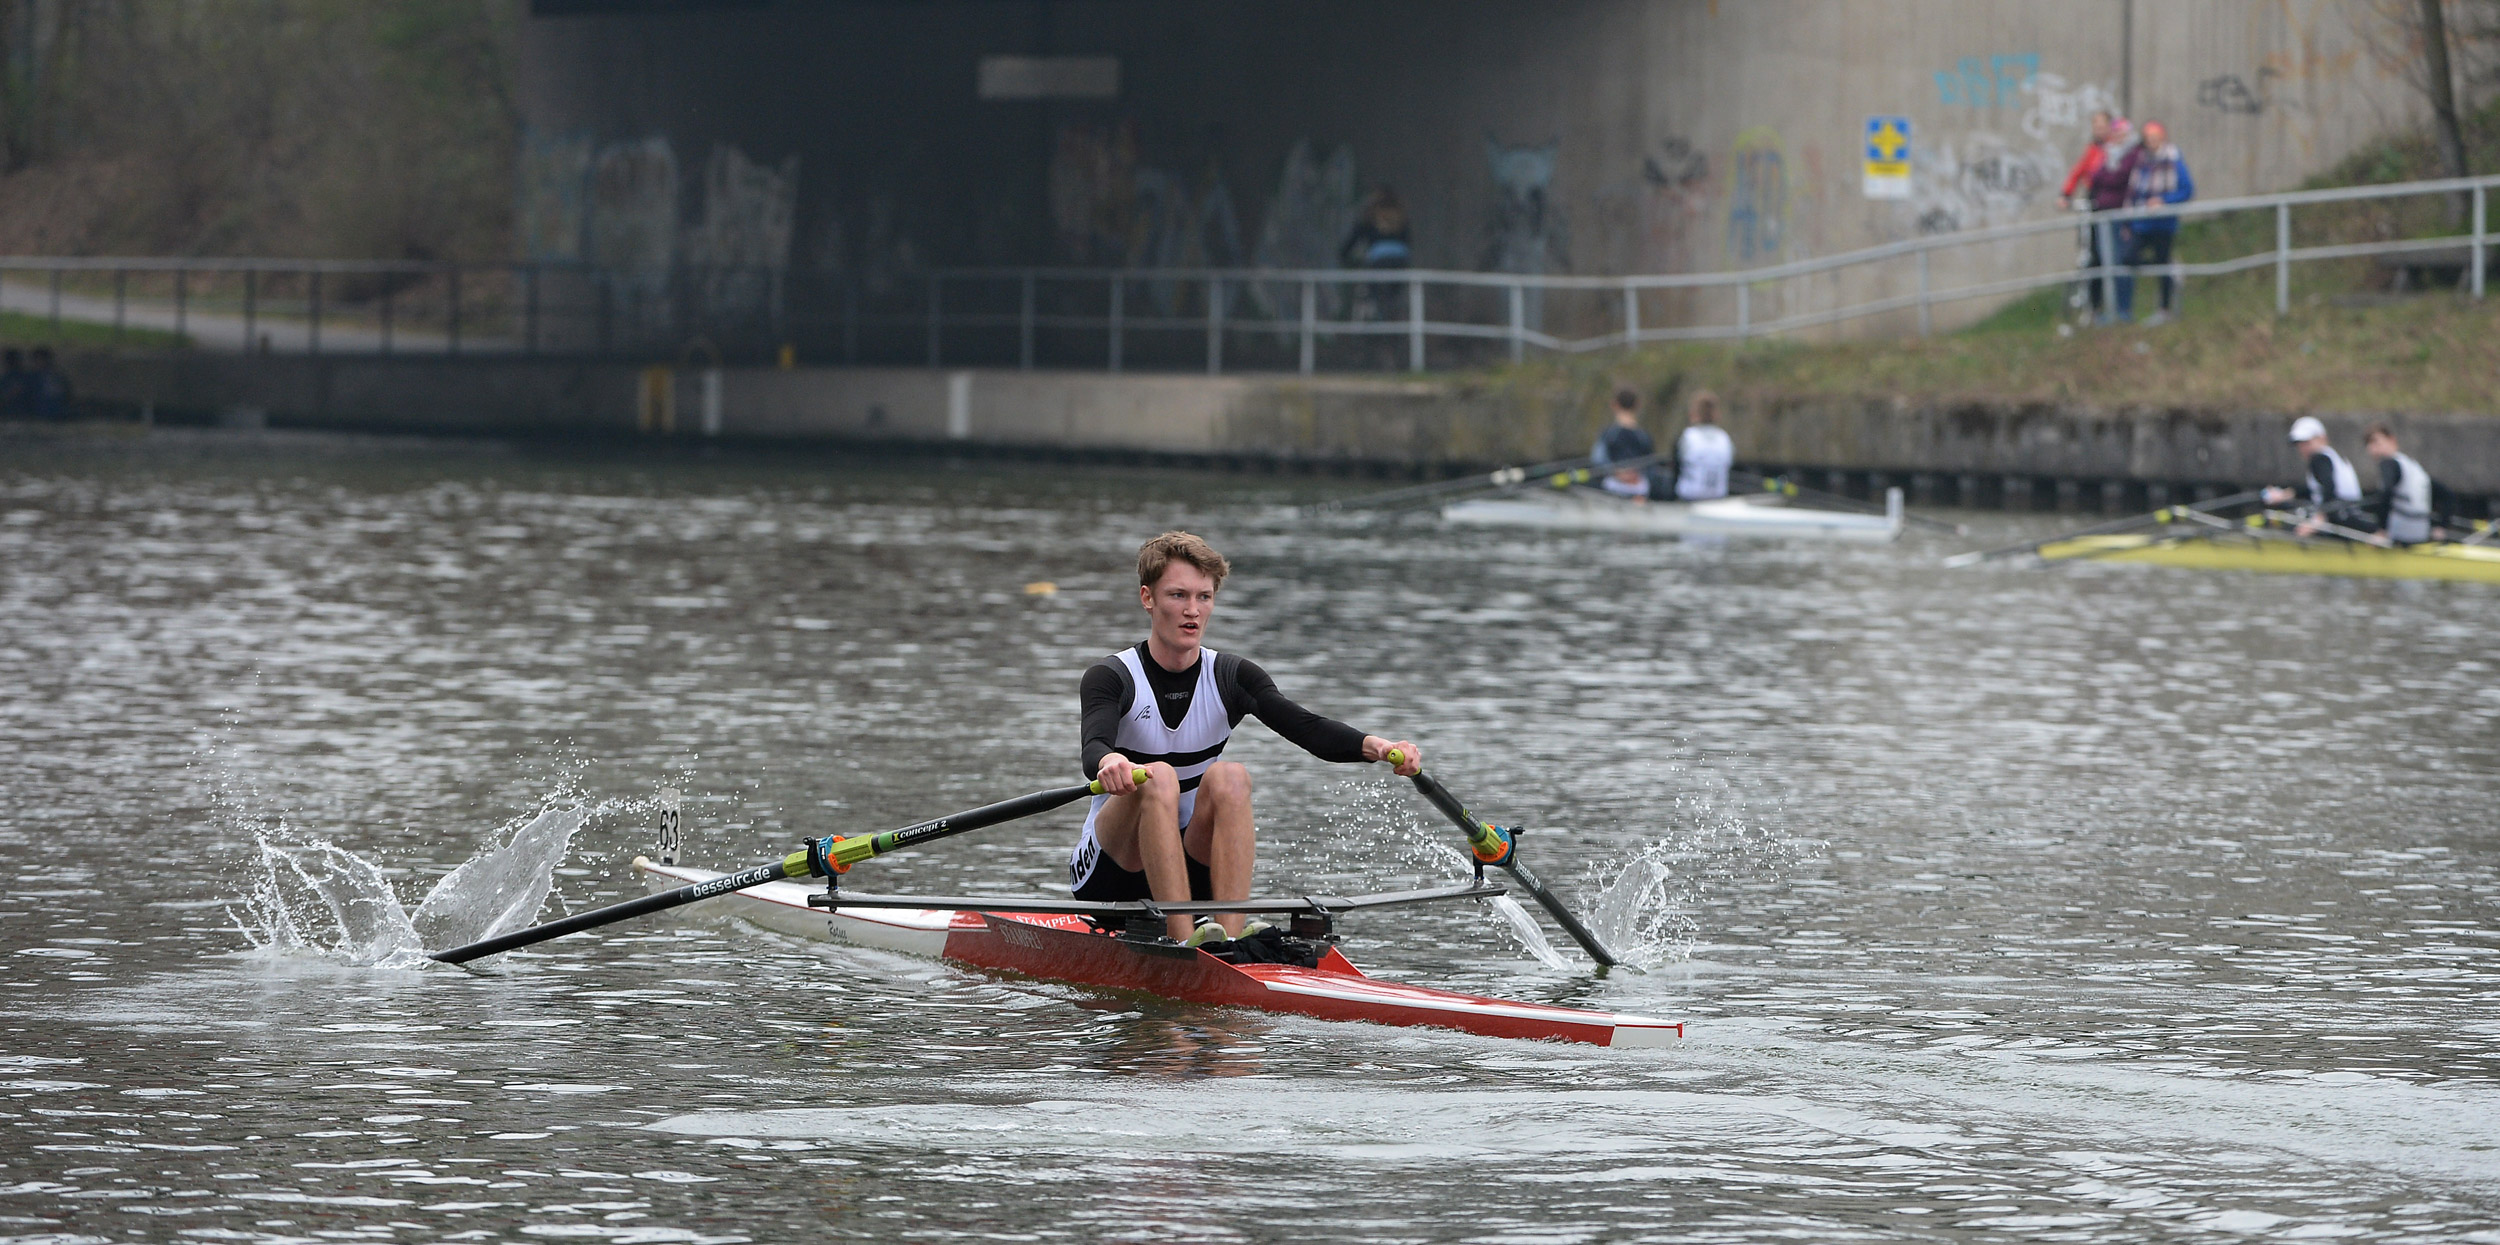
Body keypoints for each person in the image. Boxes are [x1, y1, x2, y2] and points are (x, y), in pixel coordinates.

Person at [1075, 532, 1420, 945]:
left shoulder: (1231, 677)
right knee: (1159, 776)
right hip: (1112, 875)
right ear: (1148, 598)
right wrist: (1108, 762)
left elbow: (1306, 727)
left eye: (1204, 597)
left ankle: (1227, 944)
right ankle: (1184, 945)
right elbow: (1094, 744)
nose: (1192, 611)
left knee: (1231, 776)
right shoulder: (1111, 677)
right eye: (1178, 595)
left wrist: (1377, 747)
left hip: (1188, 872)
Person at [2119, 121, 2194, 325]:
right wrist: (2127, 220)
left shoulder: (2173, 158)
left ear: (2163, 138)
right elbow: (2132, 191)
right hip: (2141, 223)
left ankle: (2164, 309)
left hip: (2164, 223)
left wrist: (2163, 201)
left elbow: (2187, 190)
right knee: (2128, 258)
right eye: (2148, 138)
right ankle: (2172, 267)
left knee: (2162, 266)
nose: (2151, 142)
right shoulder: (2141, 160)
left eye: (2155, 137)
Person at [2262, 416, 2363, 537]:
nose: (2302, 448)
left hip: (2340, 515)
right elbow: (2314, 490)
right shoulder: (2331, 456)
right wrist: (2285, 495)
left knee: (2276, 516)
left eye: (2307, 442)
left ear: (2322, 438)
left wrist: (2317, 521)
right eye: (2299, 444)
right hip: (2348, 512)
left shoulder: (2320, 459)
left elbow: (2329, 489)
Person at [2083, 117, 2142, 321]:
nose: (2118, 137)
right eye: (2115, 133)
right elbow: (2095, 177)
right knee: (2106, 262)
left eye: (2122, 133)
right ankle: (2110, 310)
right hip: (2103, 215)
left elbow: (2118, 178)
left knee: (2121, 262)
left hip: (2122, 215)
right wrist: (2108, 170)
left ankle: (2124, 311)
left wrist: (2108, 173)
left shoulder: (2134, 153)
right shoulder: (2108, 153)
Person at [2359, 423, 2439, 546]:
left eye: (2376, 442)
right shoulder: (2414, 466)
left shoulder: (2387, 463)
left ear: (2392, 440)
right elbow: (2447, 496)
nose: (2371, 448)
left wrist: (2382, 530)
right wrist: (2441, 527)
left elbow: (2386, 494)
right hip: (2421, 534)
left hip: (2399, 536)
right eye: (2368, 444)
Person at [1340, 186, 1412, 321]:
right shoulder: (1400, 214)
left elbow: (1356, 236)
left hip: (1379, 258)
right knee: (1394, 294)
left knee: (1374, 293)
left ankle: (1377, 319)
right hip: (1400, 258)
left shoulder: (1370, 214)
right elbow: (1407, 239)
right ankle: (1393, 319)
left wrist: (1344, 254)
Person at [1589, 388, 1657, 501]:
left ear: (1614, 405)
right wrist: (1633, 475)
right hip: (1639, 491)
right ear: (1637, 406)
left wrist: (1619, 474)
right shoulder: (1644, 436)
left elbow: (1598, 460)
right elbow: (1651, 466)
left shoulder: (1608, 434)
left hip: (1613, 488)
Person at [1673, 390, 1734, 501]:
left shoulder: (1687, 436)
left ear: (1694, 413)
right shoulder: (1725, 438)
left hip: (1689, 498)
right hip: (1718, 498)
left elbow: (1675, 468)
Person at [24, 348, 72, 422]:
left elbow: (65, 392)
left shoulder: (54, 376)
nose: (39, 362)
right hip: (42, 410)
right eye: (37, 360)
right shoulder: (32, 376)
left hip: (52, 410)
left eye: (41, 359)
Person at [0, 349, 28, 419]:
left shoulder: (19, 376)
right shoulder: (8, 376)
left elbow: (14, 391)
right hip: (12, 412)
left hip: (18, 412)